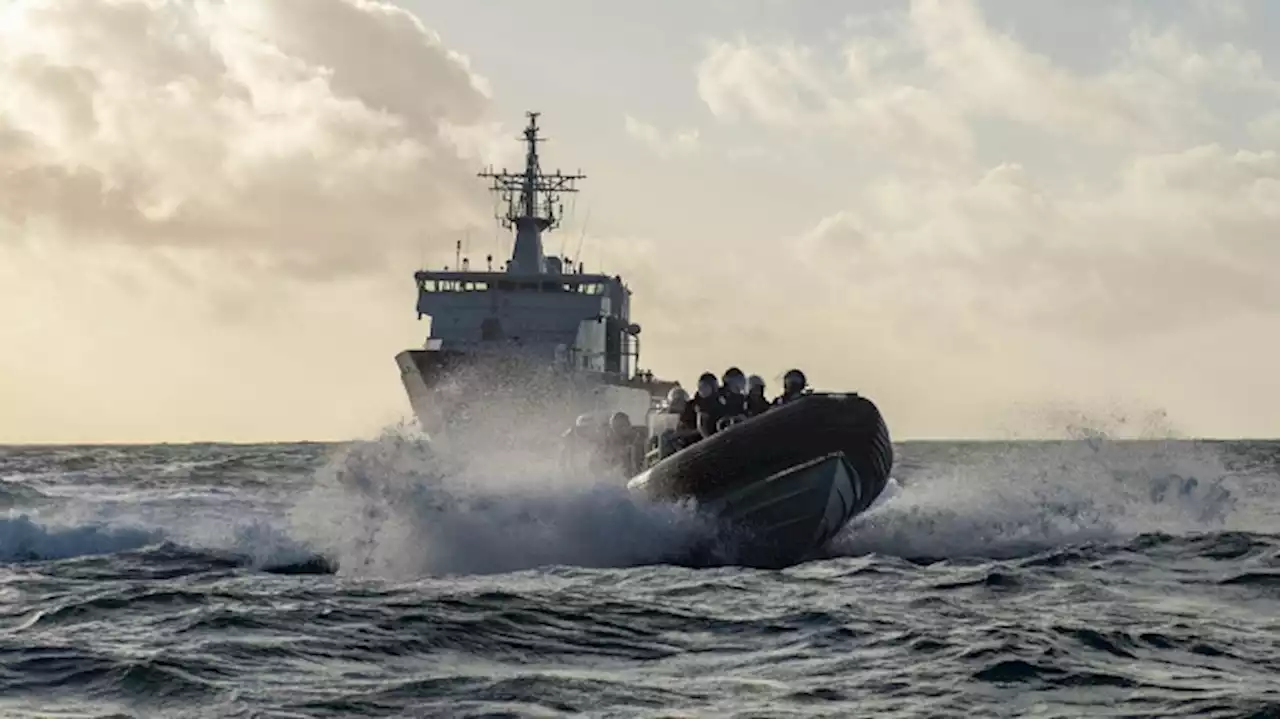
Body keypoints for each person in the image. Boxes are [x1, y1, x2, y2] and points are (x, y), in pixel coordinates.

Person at [680, 371, 728, 439]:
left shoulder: (721, 402)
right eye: (701, 387)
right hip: (697, 442)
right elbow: (682, 429)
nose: (703, 390)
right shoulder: (692, 405)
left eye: (705, 387)